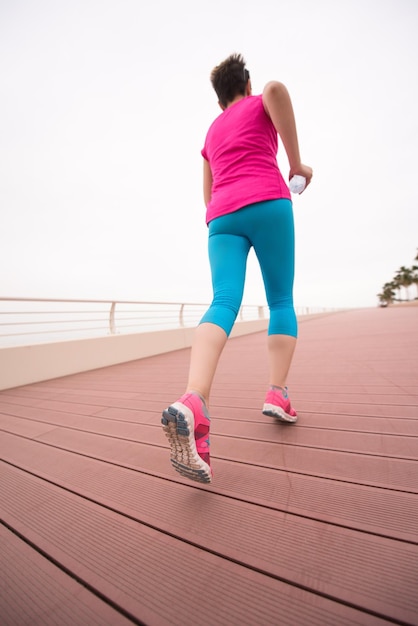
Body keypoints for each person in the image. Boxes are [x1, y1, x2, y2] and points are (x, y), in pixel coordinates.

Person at [161, 53, 312, 484]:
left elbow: (207, 196)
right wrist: (297, 166)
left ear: (218, 99)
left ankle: (194, 401)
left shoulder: (211, 132)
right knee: (280, 297)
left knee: (223, 299)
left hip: (222, 217)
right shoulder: (259, 99)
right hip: (267, 201)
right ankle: (277, 394)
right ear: (246, 85)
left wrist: (225, 209)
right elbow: (278, 90)